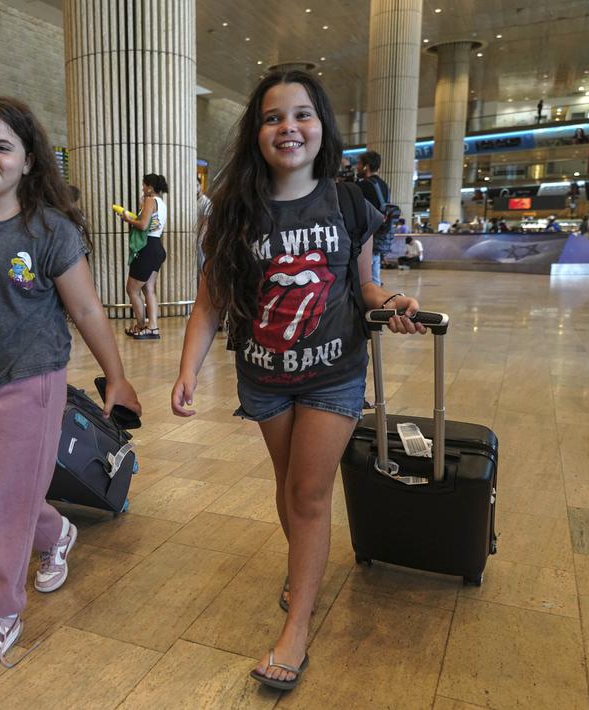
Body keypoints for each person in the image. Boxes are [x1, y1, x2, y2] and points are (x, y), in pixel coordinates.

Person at [172, 69, 425, 692]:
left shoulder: (347, 203)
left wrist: (389, 299)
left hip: (334, 374)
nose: (289, 128)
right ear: (256, 132)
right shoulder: (234, 211)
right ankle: (302, 571)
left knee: (309, 495)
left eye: (301, 114)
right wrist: (187, 371)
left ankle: (298, 628)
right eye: (273, 117)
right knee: (289, 490)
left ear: (322, 126)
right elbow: (210, 301)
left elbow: (361, 283)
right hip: (263, 377)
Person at [0, 95, 141, 674]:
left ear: (29, 159)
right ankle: (56, 530)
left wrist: (117, 377)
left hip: (32, 382)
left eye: (3, 146)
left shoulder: (49, 230)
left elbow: (87, 310)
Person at [120, 173, 168, 339]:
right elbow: (151, 224)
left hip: (146, 248)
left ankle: (141, 326)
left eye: (144, 185)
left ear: (151, 187)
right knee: (149, 289)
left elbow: (142, 225)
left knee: (132, 289)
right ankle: (153, 327)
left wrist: (128, 219)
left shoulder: (150, 200)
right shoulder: (161, 203)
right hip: (157, 248)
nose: (143, 188)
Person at [356, 150, 393, 284]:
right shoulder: (384, 185)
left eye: (359, 164)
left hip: (366, 235)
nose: (357, 167)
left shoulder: (364, 185)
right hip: (381, 233)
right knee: (375, 270)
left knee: (364, 276)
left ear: (366, 166)